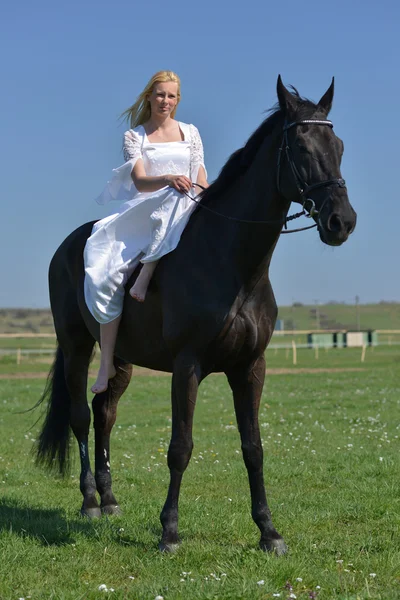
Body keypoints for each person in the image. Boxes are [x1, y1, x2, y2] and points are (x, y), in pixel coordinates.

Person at [84, 71, 208, 394]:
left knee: (187, 200)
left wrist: (210, 196)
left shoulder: (191, 133)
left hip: (186, 204)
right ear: (149, 97)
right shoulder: (134, 137)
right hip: (146, 211)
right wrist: (169, 179)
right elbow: (139, 181)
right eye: (160, 95)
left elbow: (200, 177)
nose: (165, 101)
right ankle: (106, 362)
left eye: (171, 96)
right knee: (106, 276)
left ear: (177, 101)